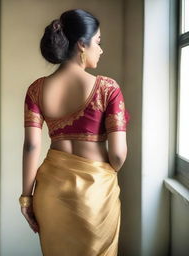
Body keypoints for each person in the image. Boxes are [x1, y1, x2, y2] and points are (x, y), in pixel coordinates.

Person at [19, 8, 130, 256]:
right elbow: (119, 155)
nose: (100, 50)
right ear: (81, 44)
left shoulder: (37, 89)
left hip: (50, 191)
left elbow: (31, 146)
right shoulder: (108, 89)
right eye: (98, 42)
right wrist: (106, 170)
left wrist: (27, 198)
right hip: (95, 193)